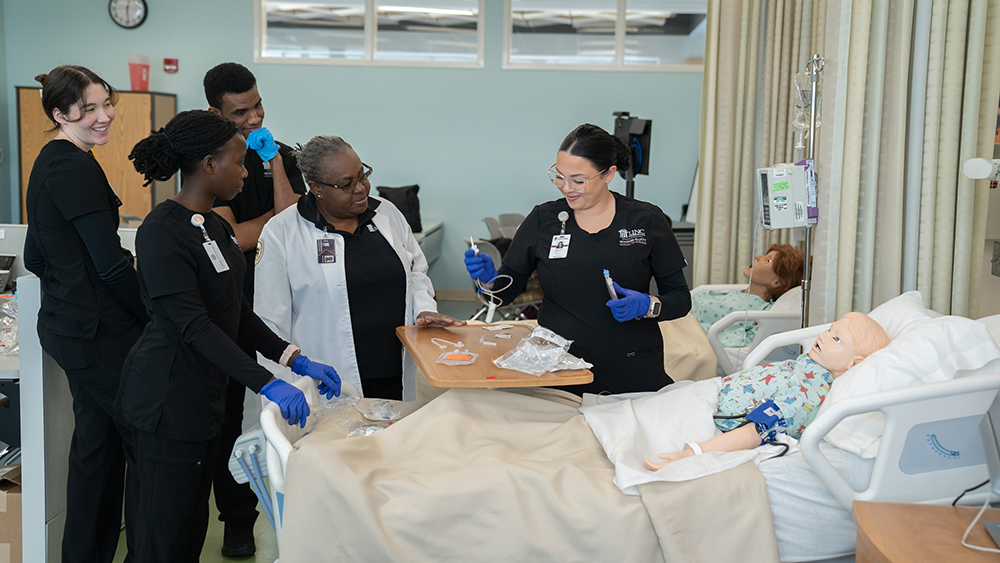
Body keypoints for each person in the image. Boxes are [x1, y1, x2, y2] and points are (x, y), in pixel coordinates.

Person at [120, 110, 342, 562]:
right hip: (164, 402)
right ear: (208, 164)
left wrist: (293, 358)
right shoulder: (161, 232)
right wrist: (267, 382)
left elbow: (234, 310)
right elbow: (194, 325)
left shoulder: (215, 227)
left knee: (189, 525)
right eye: (239, 163)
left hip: (203, 399)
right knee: (161, 531)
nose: (245, 173)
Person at [463, 124, 690, 395]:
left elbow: (680, 298)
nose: (566, 188)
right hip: (558, 368)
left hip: (631, 366)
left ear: (609, 174)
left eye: (578, 180)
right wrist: (489, 282)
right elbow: (503, 294)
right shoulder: (542, 220)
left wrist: (648, 306)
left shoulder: (646, 220)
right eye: (559, 177)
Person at [23, 65, 146, 563]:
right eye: (89, 109)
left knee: (97, 448)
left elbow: (34, 257)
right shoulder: (74, 167)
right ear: (60, 114)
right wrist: (155, 315)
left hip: (69, 327)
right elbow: (111, 266)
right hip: (94, 334)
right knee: (138, 441)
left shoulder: (51, 159)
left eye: (106, 104)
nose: (104, 116)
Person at [255, 135, 466, 400]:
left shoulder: (386, 213)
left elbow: (415, 270)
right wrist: (281, 388)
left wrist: (424, 308)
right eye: (346, 184)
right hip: (328, 378)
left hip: (394, 366)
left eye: (363, 175)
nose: (361, 188)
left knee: (395, 434)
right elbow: (270, 321)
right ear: (316, 188)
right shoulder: (282, 232)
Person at [203, 61, 305, 555]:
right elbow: (235, 237)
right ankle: (238, 521)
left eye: (258, 104)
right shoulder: (211, 162)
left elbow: (295, 231)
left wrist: (276, 163)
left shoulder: (278, 154)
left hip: (281, 307)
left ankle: (296, 505)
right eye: (241, 111)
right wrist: (276, 220)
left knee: (280, 407)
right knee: (230, 418)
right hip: (231, 306)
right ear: (216, 112)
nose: (254, 117)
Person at [644, 312, 890, 470]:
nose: (824, 336)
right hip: (710, 392)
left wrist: (694, 453)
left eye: (836, 339)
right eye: (829, 330)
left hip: (709, 413)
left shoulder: (809, 394)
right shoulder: (811, 366)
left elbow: (757, 430)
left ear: (855, 364)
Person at [692, 243, 805, 347]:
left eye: (768, 260)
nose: (758, 257)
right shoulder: (733, 294)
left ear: (777, 282)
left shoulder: (762, 314)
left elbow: (744, 343)